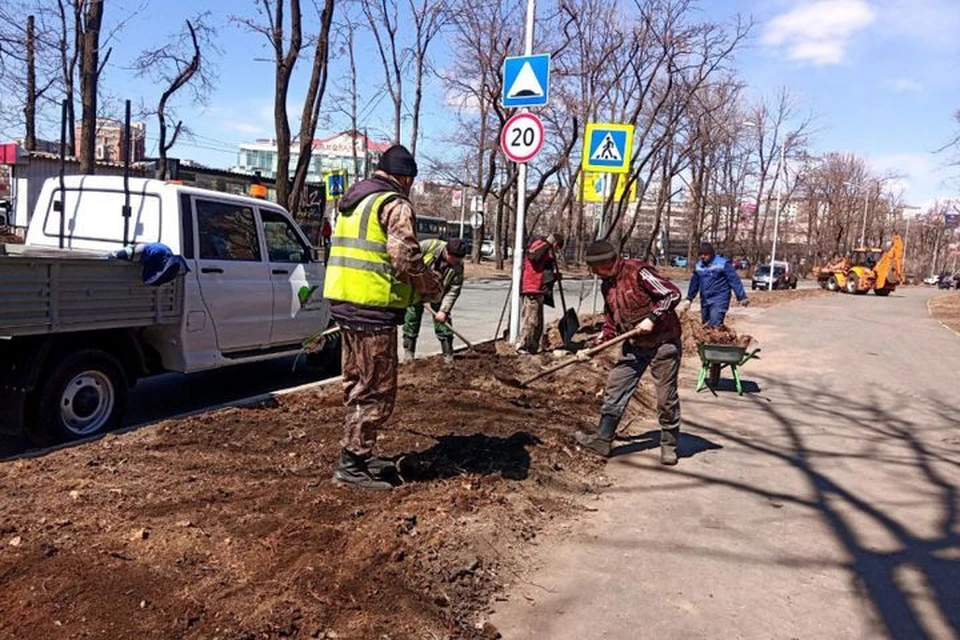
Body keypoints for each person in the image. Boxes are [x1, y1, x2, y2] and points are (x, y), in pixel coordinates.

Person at [323, 144, 442, 491]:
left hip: (345, 303)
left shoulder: (353, 199)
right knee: (377, 390)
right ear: (405, 177)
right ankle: (351, 464)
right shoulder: (394, 203)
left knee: (357, 384)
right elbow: (404, 258)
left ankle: (361, 451)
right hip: (373, 309)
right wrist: (429, 284)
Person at [573, 240, 684, 465]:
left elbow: (671, 295)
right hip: (634, 346)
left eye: (595, 268)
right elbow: (610, 323)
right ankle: (603, 440)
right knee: (616, 387)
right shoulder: (607, 285)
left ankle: (669, 444)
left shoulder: (638, 271)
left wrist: (652, 319)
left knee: (665, 397)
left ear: (606, 263)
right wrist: (594, 344)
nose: (593, 273)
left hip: (663, 342)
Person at [402, 237, 468, 364]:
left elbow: (454, 289)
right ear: (447, 252)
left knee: (443, 322)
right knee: (411, 319)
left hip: (438, 292)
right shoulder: (428, 247)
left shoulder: (458, 265)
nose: (456, 263)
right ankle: (409, 354)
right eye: (454, 259)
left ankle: (448, 355)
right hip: (416, 289)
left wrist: (444, 310)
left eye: (458, 260)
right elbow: (407, 261)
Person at [678, 242, 748, 328]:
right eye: (701, 255)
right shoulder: (699, 266)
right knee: (705, 324)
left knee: (715, 323)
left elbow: (734, 280)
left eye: (705, 254)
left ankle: (715, 339)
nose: (703, 257)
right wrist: (689, 298)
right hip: (705, 299)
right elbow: (694, 283)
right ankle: (711, 340)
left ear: (711, 254)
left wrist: (741, 297)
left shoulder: (723, 264)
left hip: (720, 298)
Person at [517, 232, 565, 354]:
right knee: (531, 320)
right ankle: (524, 346)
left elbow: (543, 273)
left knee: (538, 322)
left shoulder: (547, 253)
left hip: (539, 291)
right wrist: (548, 243)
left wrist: (554, 277)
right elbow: (533, 257)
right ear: (554, 244)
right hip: (531, 288)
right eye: (557, 248)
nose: (556, 251)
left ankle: (533, 348)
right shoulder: (539, 245)